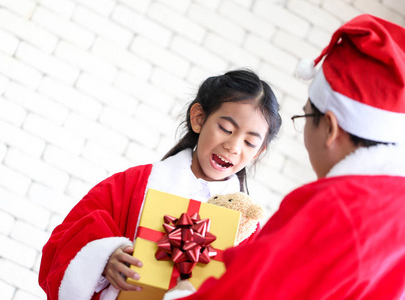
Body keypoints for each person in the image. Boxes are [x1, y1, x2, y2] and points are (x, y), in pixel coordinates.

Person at [163, 14, 405, 300]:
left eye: (305, 115)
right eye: (226, 128)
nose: (232, 146)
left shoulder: (332, 209)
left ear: (329, 127)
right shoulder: (393, 207)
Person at [38, 69, 282, 300]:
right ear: (198, 118)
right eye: (226, 128)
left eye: (250, 143)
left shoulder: (248, 229)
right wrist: (103, 258)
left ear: (259, 152)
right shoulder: (134, 183)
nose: (234, 146)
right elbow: (64, 242)